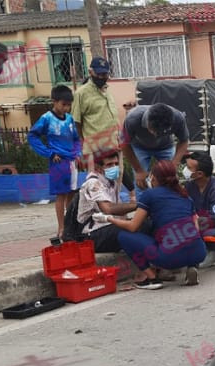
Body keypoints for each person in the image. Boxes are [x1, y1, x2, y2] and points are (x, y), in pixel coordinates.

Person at [98, 160, 206, 289]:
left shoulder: (150, 195)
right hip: (199, 252)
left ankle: (151, 278)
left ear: (154, 177)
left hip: (170, 258)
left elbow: (133, 226)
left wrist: (109, 219)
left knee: (124, 236)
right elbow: (196, 226)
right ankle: (192, 266)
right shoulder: (184, 195)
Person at [71, 57, 136, 203]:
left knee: (117, 180)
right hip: (95, 148)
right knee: (97, 185)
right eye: (99, 74)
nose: (102, 77)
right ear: (91, 72)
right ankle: (99, 217)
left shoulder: (107, 92)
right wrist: (83, 144)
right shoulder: (81, 93)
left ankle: (117, 212)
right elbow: (77, 122)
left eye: (105, 74)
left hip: (113, 144)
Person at [28, 84, 81, 238]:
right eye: (63, 104)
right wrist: (49, 153)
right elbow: (32, 136)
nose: (66, 108)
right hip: (58, 162)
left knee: (72, 193)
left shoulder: (70, 119)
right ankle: (61, 227)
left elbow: (76, 139)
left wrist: (77, 153)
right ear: (55, 101)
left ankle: (71, 225)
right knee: (61, 195)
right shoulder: (47, 118)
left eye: (69, 105)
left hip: (72, 161)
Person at [77, 150, 140, 253]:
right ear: (98, 167)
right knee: (132, 229)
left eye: (116, 164)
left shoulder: (112, 183)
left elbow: (120, 212)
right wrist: (138, 205)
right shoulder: (93, 183)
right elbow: (108, 208)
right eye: (109, 164)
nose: (114, 167)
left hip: (108, 227)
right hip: (92, 234)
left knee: (141, 224)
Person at [121, 103, 189, 192]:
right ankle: (142, 204)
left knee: (170, 179)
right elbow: (124, 144)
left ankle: (167, 202)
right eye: (154, 131)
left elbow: (184, 140)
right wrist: (139, 171)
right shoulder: (133, 119)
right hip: (140, 147)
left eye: (161, 132)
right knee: (140, 182)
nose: (156, 136)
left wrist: (174, 164)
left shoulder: (178, 118)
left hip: (166, 147)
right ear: (147, 122)